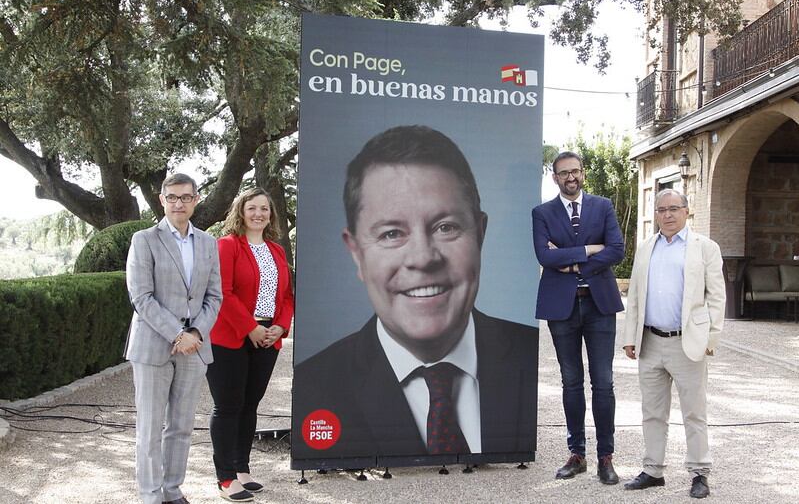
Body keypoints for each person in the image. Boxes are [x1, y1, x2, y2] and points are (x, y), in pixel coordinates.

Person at [292, 125, 538, 464]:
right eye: (392, 233)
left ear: (479, 234)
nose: (423, 258)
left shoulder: (528, 353)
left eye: (446, 227)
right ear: (356, 253)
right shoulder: (314, 385)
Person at [125, 173, 222, 504]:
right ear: (162, 200)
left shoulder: (209, 243)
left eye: (185, 197)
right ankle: (151, 496)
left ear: (196, 199)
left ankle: (172, 490)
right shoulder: (145, 239)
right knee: (150, 430)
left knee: (180, 427)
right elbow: (141, 297)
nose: (178, 203)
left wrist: (195, 334)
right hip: (154, 346)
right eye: (172, 197)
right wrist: (177, 333)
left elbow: (214, 297)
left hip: (194, 348)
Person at [622, 189, 725, 499]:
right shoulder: (645, 248)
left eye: (673, 209)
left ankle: (699, 473)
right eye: (661, 209)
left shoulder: (705, 248)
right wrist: (630, 338)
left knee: (694, 413)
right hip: (650, 341)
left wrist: (711, 339)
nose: (667, 215)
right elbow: (636, 297)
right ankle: (653, 470)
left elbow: (716, 297)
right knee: (652, 412)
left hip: (687, 343)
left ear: (686, 211)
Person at [531, 150, 624, 484]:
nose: (570, 177)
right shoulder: (542, 213)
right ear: (555, 177)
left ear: (583, 173)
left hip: (599, 306)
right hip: (562, 308)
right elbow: (543, 255)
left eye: (575, 171)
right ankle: (577, 454)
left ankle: (605, 457)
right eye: (563, 173)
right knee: (571, 382)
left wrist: (568, 261)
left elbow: (616, 249)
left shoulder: (603, 206)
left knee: (604, 382)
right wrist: (589, 250)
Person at [205, 188, 294, 502]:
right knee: (228, 406)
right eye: (252, 208)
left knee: (250, 405)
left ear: (271, 215)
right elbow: (223, 293)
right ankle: (225, 477)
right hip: (230, 336)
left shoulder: (277, 250)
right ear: (240, 211)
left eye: (265, 209)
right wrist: (251, 328)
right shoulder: (226, 246)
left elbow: (286, 297)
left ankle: (242, 469)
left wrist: (279, 326)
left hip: (268, 337)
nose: (259, 214)